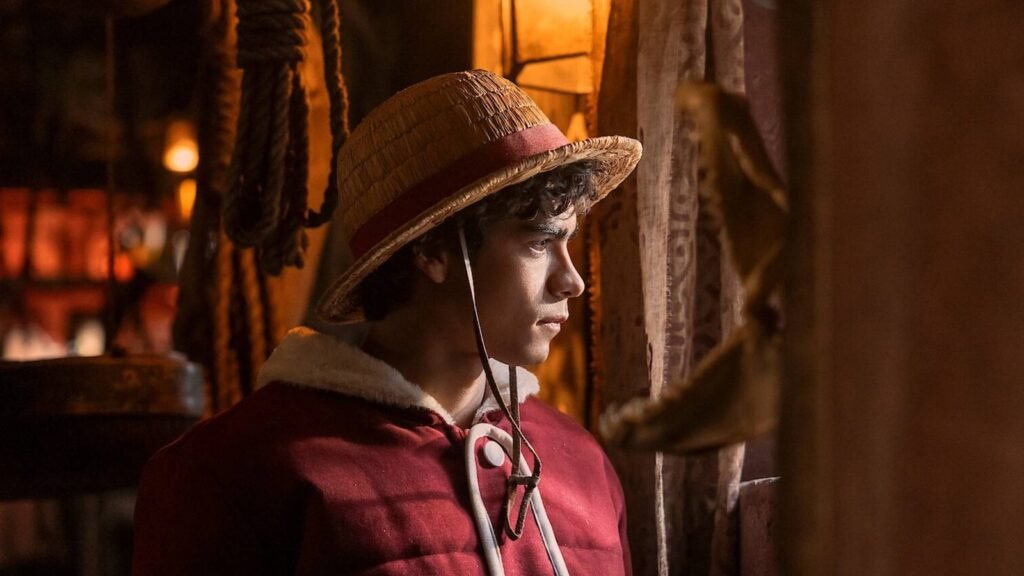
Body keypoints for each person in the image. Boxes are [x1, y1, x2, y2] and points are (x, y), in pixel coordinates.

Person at [132, 69, 642, 575]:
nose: (572, 281)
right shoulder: (234, 474)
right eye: (540, 242)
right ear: (433, 251)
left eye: (568, 241)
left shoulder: (581, 463)